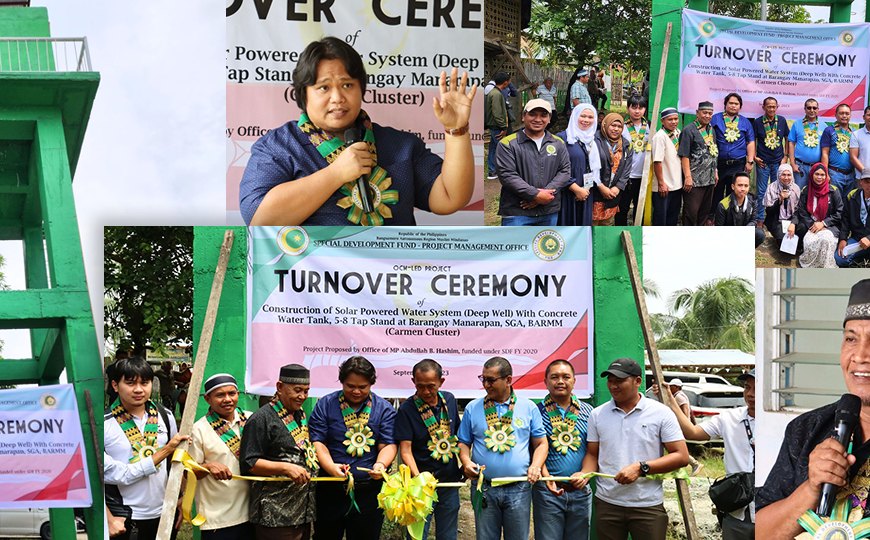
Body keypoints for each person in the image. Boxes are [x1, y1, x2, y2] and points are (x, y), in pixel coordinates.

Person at [239, 37, 475, 226]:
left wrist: (457, 129)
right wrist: (336, 174)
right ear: (303, 95)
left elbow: (450, 198)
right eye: (323, 87)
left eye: (347, 85)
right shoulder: (279, 146)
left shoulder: (400, 144)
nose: (337, 98)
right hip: (315, 282)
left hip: (391, 280)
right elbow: (259, 220)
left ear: (361, 89)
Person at [756, 280, 870, 540]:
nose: (861, 355)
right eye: (851, 338)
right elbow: (761, 531)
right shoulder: (808, 428)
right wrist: (811, 488)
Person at [577, 358, 690, 540]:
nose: (613, 386)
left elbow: (681, 456)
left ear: (637, 381)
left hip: (647, 506)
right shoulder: (597, 414)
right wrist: (584, 474)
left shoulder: (661, 413)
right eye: (610, 381)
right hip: (608, 504)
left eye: (619, 381)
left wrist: (641, 467)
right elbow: (592, 454)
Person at [655, 371, 755, 540]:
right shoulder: (730, 418)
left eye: (756, 388)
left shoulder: (782, 421)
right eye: (747, 387)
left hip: (772, 508)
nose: (750, 393)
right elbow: (693, 432)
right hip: (737, 511)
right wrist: (671, 401)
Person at [457, 357, 547, 540]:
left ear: (508, 380)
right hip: (485, 488)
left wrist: (536, 466)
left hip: (519, 489)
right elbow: (463, 442)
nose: (486, 385)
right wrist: (466, 462)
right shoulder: (472, 408)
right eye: (483, 379)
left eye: (491, 380)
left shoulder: (528, 407)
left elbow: (541, 443)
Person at [309, 356, 397, 540]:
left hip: (368, 492)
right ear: (341, 382)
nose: (356, 391)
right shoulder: (325, 405)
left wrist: (380, 464)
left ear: (371, 384)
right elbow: (318, 442)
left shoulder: (384, 409)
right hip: (330, 489)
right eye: (350, 386)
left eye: (362, 387)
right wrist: (330, 467)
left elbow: (388, 444)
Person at [104, 357, 189, 540]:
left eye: (145, 382)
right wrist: (108, 518)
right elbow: (96, 477)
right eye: (130, 383)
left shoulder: (165, 416)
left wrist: (180, 498)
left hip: (164, 515)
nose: (139, 389)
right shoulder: (103, 424)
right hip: (123, 520)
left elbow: (175, 461)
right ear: (115, 385)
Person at [238, 365, 316, 540]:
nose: (302, 396)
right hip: (274, 514)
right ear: (279, 387)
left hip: (302, 511)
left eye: (306, 391)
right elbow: (249, 462)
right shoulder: (261, 419)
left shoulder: (300, 414)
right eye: (297, 390)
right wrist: (285, 468)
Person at [394, 360, 462, 540]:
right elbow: (406, 451)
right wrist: (419, 480)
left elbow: (459, 439)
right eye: (420, 386)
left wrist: (465, 464)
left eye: (431, 386)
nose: (425, 391)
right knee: (417, 536)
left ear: (441, 382)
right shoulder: (407, 409)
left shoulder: (450, 400)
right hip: (420, 487)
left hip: (449, 482)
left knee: (448, 534)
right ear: (413, 381)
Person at [533, 360, 594, 540]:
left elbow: (593, 450)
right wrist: (546, 476)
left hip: (581, 492)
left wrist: (586, 474)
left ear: (574, 381)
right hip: (547, 491)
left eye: (566, 377)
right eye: (554, 377)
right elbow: (534, 448)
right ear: (545, 382)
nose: (560, 381)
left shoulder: (589, 412)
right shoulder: (536, 412)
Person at [189, 374, 255, 540]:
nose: (227, 399)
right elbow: (188, 472)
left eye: (232, 394)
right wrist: (207, 467)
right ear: (207, 399)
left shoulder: (252, 419)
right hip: (219, 519)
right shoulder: (199, 430)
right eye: (220, 395)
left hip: (253, 513)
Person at [496, 99, 571, 226]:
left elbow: (564, 171)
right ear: (523, 116)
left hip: (549, 211)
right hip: (517, 212)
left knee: (543, 246)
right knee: (517, 246)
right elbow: (507, 175)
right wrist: (535, 195)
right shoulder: (508, 143)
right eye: (532, 114)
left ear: (549, 119)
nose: (538, 119)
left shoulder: (558, 143)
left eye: (543, 115)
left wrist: (543, 196)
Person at [710, 93, 756, 223]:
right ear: (725, 104)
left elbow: (750, 142)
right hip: (719, 164)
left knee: (734, 193)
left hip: (737, 164)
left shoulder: (745, 122)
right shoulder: (715, 119)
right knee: (716, 191)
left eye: (736, 104)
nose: (733, 106)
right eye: (731, 103)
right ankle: (714, 219)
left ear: (740, 106)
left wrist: (750, 161)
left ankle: (731, 220)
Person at [789, 163, 843, 268]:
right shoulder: (806, 190)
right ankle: (811, 265)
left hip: (829, 227)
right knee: (809, 241)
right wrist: (814, 225)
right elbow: (802, 210)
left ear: (826, 176)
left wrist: (824, 223)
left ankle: (824, 266)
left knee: (826, 240)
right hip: (812, 225)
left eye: (822, 175)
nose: (819, 177)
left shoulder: (833, 191)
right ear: (812, 175)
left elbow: (839, 212)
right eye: (816, 174)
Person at [557, 104, 598, 226]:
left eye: (590, 117)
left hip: (586, 193)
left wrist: (585, 190)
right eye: (583, 116)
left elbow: (593, 168)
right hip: (567, 191)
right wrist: (575, 189)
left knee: (583, 229)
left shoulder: (593, 140)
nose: (586, 120)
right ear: (575, 116)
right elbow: (556, 167)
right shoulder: (562, 138)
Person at [679, 101, 719, 226]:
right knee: (691, 211)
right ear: (697, 112)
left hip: (710, 178)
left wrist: (716, 171)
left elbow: (714, 151)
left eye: (710, 113)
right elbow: (684, 155)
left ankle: (699, 238)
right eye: (704, 112)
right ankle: (688, 238)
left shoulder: (711, 130)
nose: (707, 116)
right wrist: (688, 177)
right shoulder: (688, 130)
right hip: (694, 180)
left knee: (704, 211)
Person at [752, 96, 790, 223]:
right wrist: (754, 157)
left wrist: (785, 156)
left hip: (778, 163)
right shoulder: (757, 122)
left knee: (777, 191)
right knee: (761, 191)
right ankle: (760, 219)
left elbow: (787, 139)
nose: (771, 109)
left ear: (777, 107)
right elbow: (753, 140)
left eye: (774, 106)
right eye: (768, 106)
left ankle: (774, 219)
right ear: (763, 107)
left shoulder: (782, 121)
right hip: (763, 163)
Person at [593, 113, 633, 226]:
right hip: (595, 194)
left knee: (607, 226)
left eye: (619, 127)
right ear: (605, 124)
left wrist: (618, 187)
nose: (616, 129)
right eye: (613, 125)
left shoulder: (626, 145)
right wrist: (601, 187)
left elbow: (627, 169)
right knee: (591, 228)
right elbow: (589, 168)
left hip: (613, 195)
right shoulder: (594, 141)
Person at [617, 95, 650, 226]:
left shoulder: (649, 126)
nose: (637, 111)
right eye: (634, 107)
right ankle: (619, 234)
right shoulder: (621, 127)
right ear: (627, 108)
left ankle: (638, 236)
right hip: (626, 176)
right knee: (622, 208)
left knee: (640, 208)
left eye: (641, 108)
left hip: (643, 175)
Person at [661, 379, 703, 477]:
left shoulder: (679, 396)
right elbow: (690, 411)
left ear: (677, 387)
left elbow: (684, 409)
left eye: (672, 386)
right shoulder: (681, 395)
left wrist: (683, 422)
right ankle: (679, 468)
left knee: (676, 449)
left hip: (680, 425)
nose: (670, 388)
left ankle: (694, 463)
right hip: (681, 424)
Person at [650, 107, 683, 226]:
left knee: (672, 216)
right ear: (662, 121)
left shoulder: (677, 132)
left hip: (677, 184)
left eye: (675, 119)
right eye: (670, 119)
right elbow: (657, 162)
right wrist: (661, 183)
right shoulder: (660, 137)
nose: (673, 122)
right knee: (661, 218)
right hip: (665, 185)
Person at [714, 172, 765, 247]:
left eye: (746, 186)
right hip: (729, 236)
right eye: (740, 185)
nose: (743, 189)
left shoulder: (753, 200)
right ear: (733, 186)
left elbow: (754, 221)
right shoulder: (723, 205)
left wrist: (743, 232)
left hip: (744, 234)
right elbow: (719, 229)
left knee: (760, 233)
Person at [836, 168, 870, 267]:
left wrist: (869, 238)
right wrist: (843, 238)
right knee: (840, 259)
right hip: (857, 240)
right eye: (866, 182)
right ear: (861, 181)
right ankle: (863, 255)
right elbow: (845, 219)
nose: (869, 185)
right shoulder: (852, 196)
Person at [761, 164, 802, 247]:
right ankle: (778, 240)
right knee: (782, 239)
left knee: (802, 229)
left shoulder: (796, 188)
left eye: (789, 175)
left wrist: (793, 223)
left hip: (792, 219)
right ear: (779, 175)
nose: (786, 178)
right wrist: (780, 200)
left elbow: (799, 209)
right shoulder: (772, 188)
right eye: (783, 175)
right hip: (777, 221)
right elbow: (769, 211)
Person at [788, 99, 823, 191]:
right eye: (809, 108)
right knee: (799, 192)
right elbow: (791, 143)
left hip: (817, 167)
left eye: (814, 108)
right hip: (800, 166)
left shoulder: (824, 126)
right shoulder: (797, 124)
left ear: (818, 109)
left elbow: (825, 149)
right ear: (805, 109)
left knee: (815, 193)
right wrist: (792, 163)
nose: (812, 110)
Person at [822, 104, 856, 193]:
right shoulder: (829, 131)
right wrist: (826, 174)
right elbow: (825, 153)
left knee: (849, 203)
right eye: (841, 113)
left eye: (847, 113)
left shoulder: (855, 132)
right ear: (835, 115)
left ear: (850, 115)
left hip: (851, 174)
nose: (844, 116)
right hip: (834, 173)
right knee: (835, 203)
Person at [485, 73, 512, 180]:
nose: (509, 83)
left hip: (494, 125)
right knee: (503, 148)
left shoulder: (495, 92)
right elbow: (497, 112)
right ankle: (506, 172)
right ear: (505, 83)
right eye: (509, 81)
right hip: (496, 126)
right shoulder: (496, 94)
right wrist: (503, 127)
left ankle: (492, 171)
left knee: (493, 148)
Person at [849, 106, 870, 177]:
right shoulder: (856, 134)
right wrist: (866, 174)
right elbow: (853, 158)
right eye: (868, 115)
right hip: (862, 178)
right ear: (864, 117)